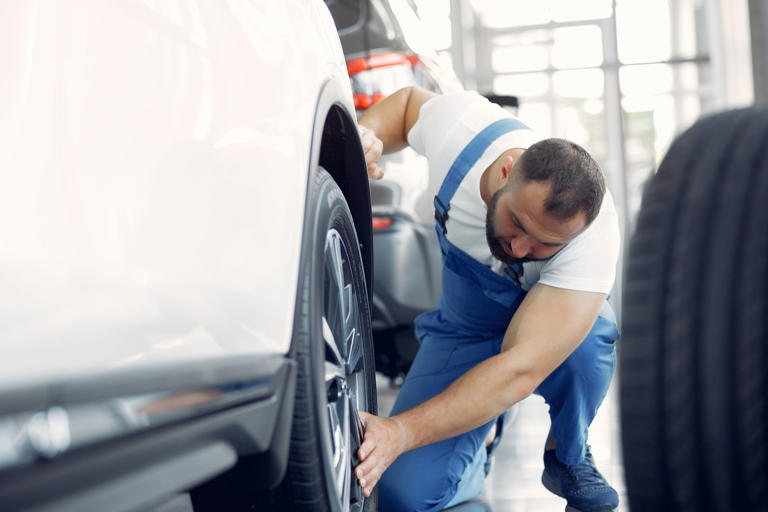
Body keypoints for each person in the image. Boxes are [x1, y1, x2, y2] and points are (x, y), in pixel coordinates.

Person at [354, 86, 621, 512]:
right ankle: (480, 445)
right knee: (400, 497)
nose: (518, 249)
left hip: (534, 338)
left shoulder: (594, 236)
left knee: (589, 339)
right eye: (516, 223)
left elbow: (521, 368)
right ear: (505, 172)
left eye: (543, 244)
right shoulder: (463, 130)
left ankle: (566, 454)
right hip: (465, 327)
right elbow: (406, 107)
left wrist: (400, 432)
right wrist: (365, 134)